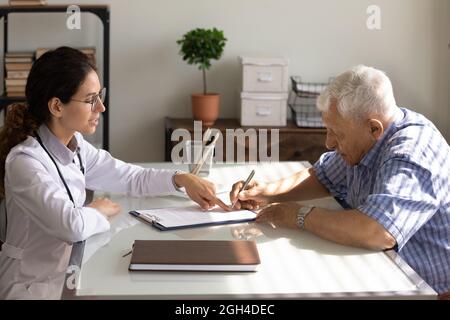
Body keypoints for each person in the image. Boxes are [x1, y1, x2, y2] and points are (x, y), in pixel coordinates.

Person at [0, 47, 229, 299]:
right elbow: (70, 226)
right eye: (90, 99)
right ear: (57, 106)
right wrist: (98, 209)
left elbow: (130, 178)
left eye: (100, 96)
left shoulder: (75, 145)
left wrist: (180, 180)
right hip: (29, 287)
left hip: (65, 275)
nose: (101, 107)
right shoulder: (25, 163)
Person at [230, 65, 450, 298]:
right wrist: (265, 192)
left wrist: (297, 215)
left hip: (426, 287)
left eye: (337, 133)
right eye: (328, 130)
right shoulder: (368, 136)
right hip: (385, 269)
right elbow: (322, 176)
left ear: (374, 128)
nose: (329, 143)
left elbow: (377, 231)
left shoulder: (412, 152)